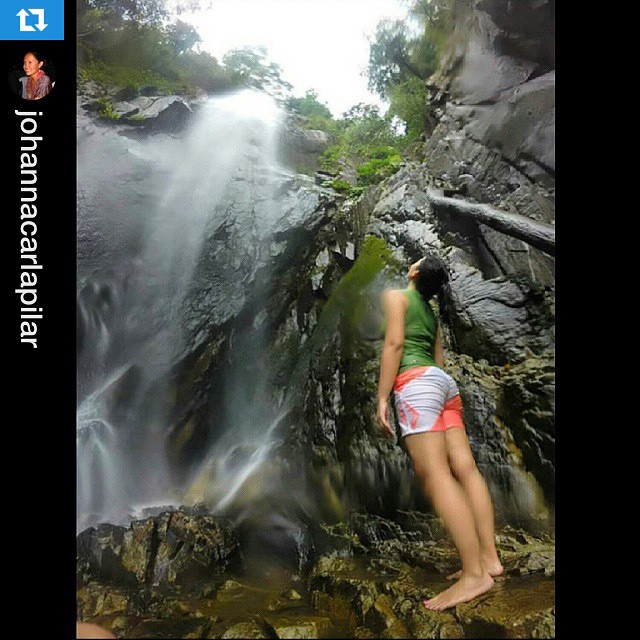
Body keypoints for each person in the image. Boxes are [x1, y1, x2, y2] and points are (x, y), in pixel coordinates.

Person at [376, 255, 503, 610]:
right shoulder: (432, 314)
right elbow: (439, 357)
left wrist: (383, 397)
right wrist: (437, 388)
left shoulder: (396, 296)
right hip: (443, 384)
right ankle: (489, 559)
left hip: (415, 384)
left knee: (435, 475)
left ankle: (474, 575)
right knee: (465, 469)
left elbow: (395, 345)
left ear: (414, 273)